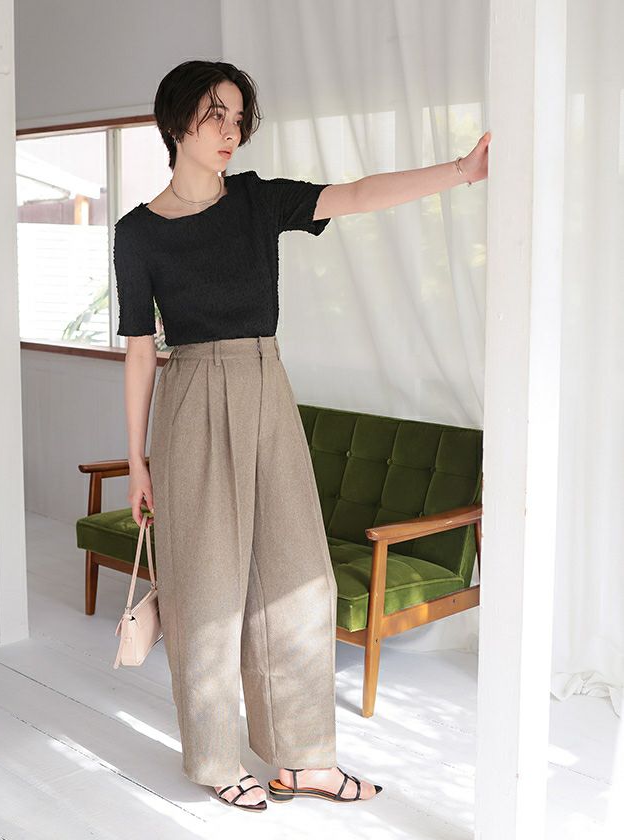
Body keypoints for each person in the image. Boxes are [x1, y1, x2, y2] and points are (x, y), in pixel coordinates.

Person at [114, 59, 489, 812]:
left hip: (267, 386)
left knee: (299, 578)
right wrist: (136, 460)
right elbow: (140, 350)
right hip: (190, 398)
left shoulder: (257, 201)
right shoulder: (137, 234)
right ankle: (216, 758)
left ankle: (304, 759)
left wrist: (462, 170)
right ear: (176, 120)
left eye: (238, 118)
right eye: (215, 115)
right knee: (205, 588)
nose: (230, 131)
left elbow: (358, 194)